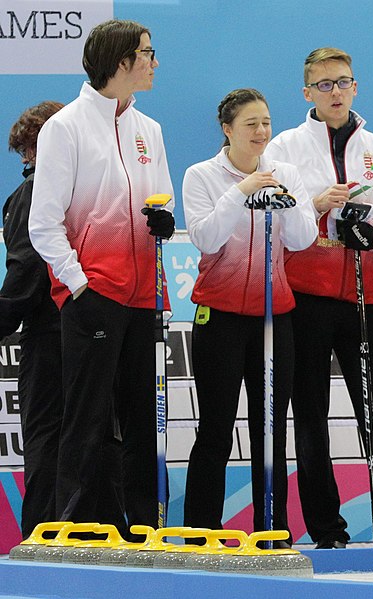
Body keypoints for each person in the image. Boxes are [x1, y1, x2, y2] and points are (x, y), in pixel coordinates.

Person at [266, 47, 373, 548]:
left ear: (355, 87)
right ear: (307, 93)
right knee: (311, 415)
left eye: (343, 82)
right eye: (324, 84)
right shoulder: (285, 147)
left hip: (367, 298)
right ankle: (327, 531)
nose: (335, 92)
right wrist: (315, 206)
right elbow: (272, 220)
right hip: (306, 296)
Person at [28, 20, 175, 536]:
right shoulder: (64, 127)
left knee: (140, 419)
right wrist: (78, 282)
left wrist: (164, 218)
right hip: (94, 293)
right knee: (87, 416)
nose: (155, 62)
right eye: (148, 53)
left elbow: (161, 197)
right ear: (120, 61)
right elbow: (43, 221)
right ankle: (66, 528)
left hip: (143, 296)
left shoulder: (149, 129)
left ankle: (141, 529)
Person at [182, 88, 317, 545]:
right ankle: (201, 532)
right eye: (250, 125)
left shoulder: (286, 173)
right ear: (227, 130)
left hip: (273, 318)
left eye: (266, 122)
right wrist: (239, 193)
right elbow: (206, 239)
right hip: (218, 316)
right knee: (216, 428)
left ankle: (272, 531)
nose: (261, 133)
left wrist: (288, 200)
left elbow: (300, 240)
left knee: (270, 428)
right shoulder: (201, 175)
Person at [1, 101, 64, 539]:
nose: (27, 159)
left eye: (29, 149)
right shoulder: (84, 187)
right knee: (89, 440)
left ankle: (42, 539)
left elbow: (26, 270)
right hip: (95, 330)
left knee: (44, 439)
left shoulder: (32, 194)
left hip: (49, 336)